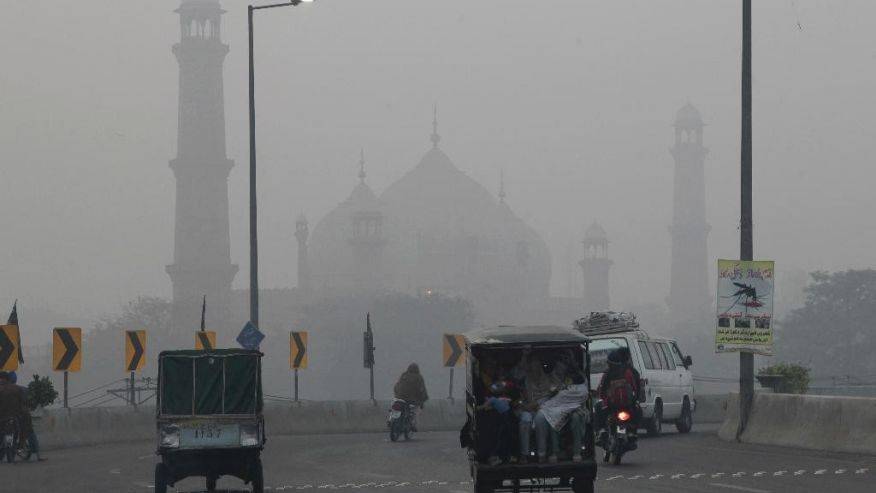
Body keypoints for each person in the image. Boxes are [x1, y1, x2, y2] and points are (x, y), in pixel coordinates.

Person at [515, 352, 563, 462]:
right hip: (527, 408)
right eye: (532, 363)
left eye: (537, 363)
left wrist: (539, 404)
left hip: (544, 408)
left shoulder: (549, 377)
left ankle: (542, 453)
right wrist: (524, 355)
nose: (535, 366)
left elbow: (556, 390)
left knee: (540, 418)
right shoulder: (525, 378)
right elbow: (516, 376)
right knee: (525, 419)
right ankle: (524, 454)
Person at [596, 348, 641, 445]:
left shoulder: (608, 373)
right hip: (627, 404)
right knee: (637, 409)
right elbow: (636, 388)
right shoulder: (630, 371)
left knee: (598, 408)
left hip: (611, 405)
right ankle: (632, 432)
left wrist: (604, 398)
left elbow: (602, 390)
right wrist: (635, 399)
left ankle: (602, 431)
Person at [393, 363, 429, 431]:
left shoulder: (404, 375)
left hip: (399, 397)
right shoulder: (418, 377)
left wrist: (397, 394)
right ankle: (413, 424)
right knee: (416, 410)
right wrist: (424, 399)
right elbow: (422, 390)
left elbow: (397, 385)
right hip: (411, 399)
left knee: (394, 408)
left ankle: (391, 419)